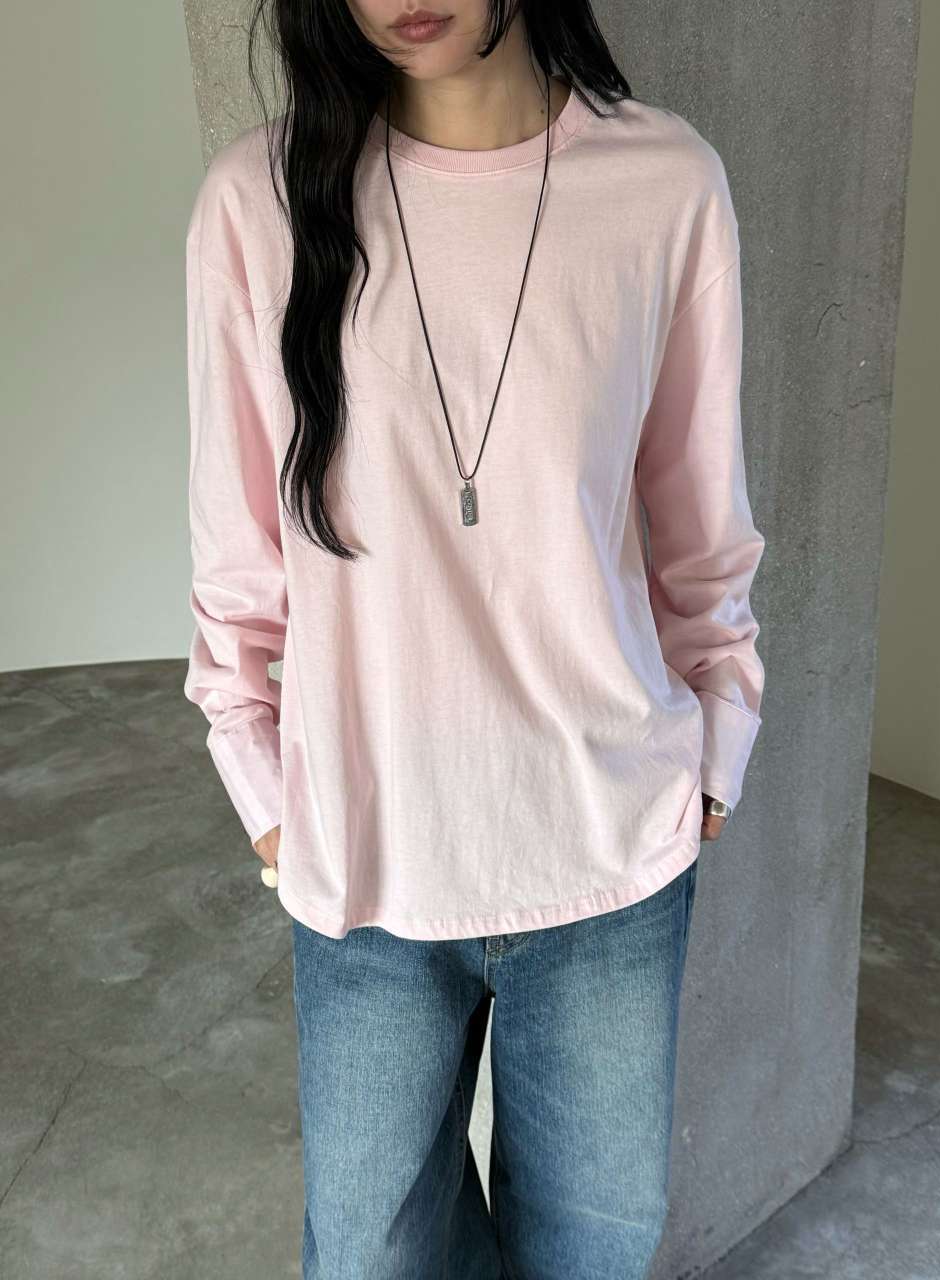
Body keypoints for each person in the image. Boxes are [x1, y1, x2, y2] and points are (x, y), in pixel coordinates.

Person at [182, 1, 765, 1275]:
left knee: (594, 1250)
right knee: (368, 1253)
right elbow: (236, 562)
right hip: (368, 859)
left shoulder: (664, 185)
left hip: (610, 846)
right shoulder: (259, 204)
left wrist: (719, 741)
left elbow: (701, 521)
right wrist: (267, 794)